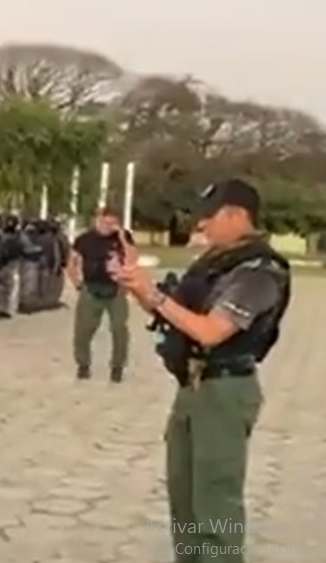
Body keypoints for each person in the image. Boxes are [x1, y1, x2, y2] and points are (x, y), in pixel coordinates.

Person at [110, 179, 290, 563]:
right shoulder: (214, 262)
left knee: (216, 503)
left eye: (209, 218)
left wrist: (155, 295)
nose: (202, 227)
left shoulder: (260, 271)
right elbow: (175, 315)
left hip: (224, 392)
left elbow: (210, 332)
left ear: (237, 215)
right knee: (185, 502)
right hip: (192, 390)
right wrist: (137, 285)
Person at [68, 207, 133, 382]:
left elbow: (132, 258)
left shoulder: (122, 237)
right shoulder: (85, 239)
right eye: (105, 222)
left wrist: (121, 237)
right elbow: (72, 261)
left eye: (113, 223)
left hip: (116, 289)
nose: (108, 226)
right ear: (98, 220)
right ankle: (83, 364)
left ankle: (117, 367)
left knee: (119, 329)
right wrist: (76, 282)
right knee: (83, 330)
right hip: (91, 287)